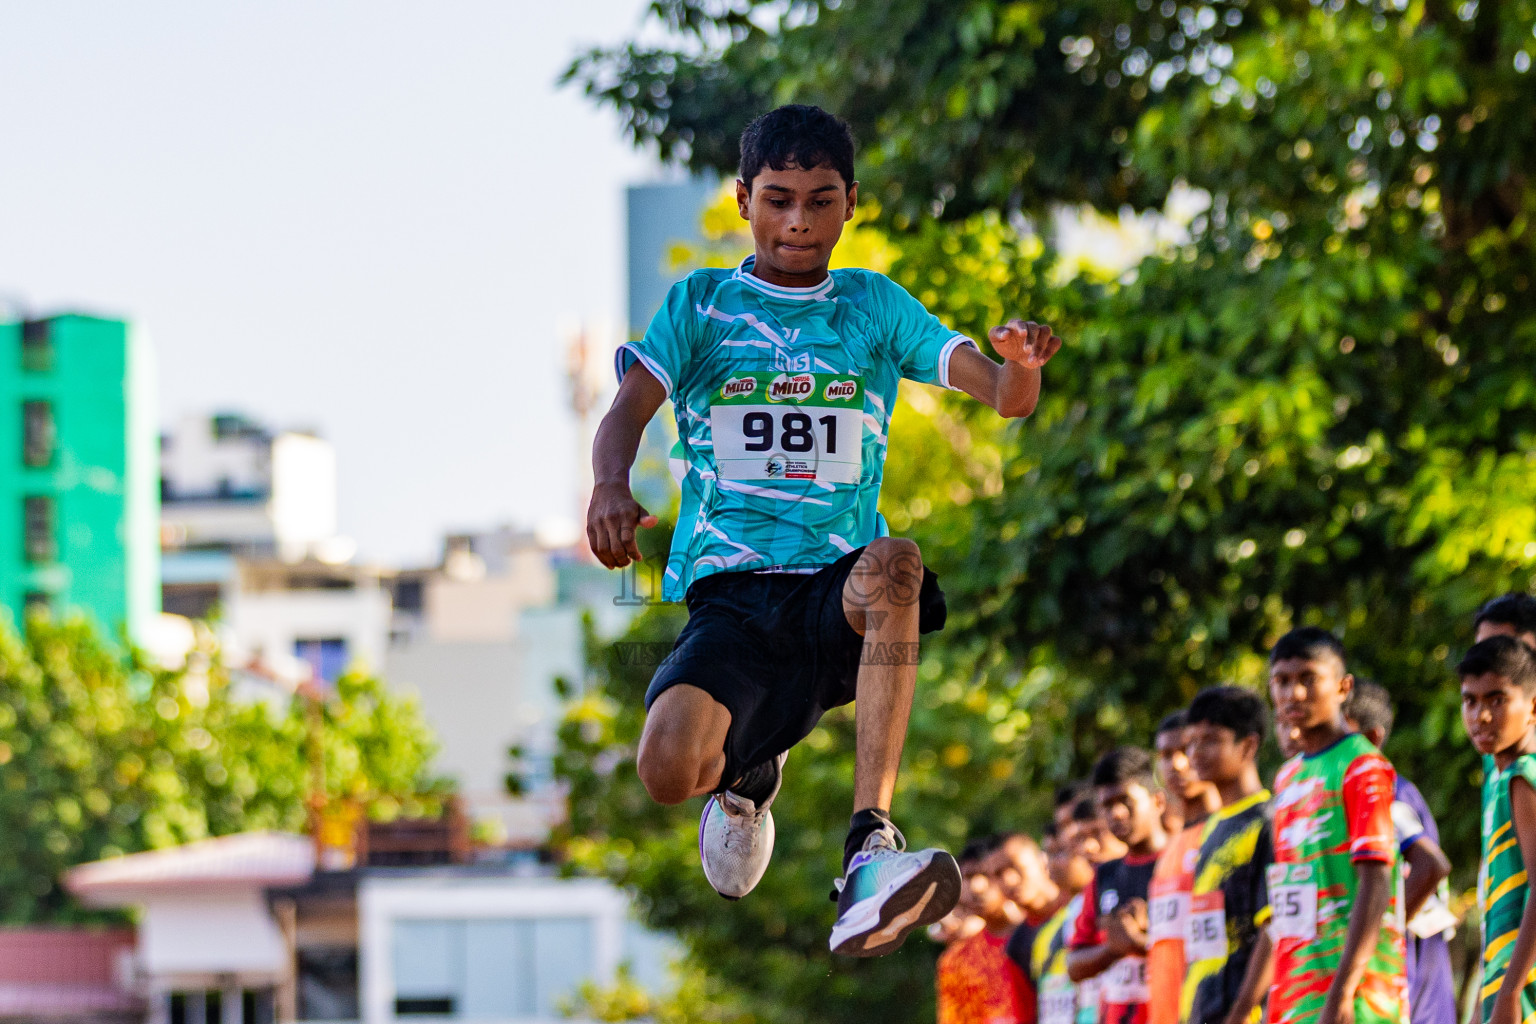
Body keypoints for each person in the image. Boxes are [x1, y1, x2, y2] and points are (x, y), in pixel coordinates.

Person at [585, 103, 1063, 956]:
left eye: (819, 199)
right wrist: (609, 485)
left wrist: (1021, 367)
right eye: (777, 200)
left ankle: (870, 847)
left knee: (898, 563)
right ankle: (750, 769)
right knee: (666, 772)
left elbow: (1001, 395)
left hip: (835, 588)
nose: (797, 221)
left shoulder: (874, 307)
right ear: (742, 200)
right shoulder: (702, 304)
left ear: (851, 204)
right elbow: (628, 409)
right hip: (729, 599)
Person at [1266, 628, 1407, 1024]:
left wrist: (1342, 992)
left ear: (1343, 687)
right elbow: (1288, 895)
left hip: (1354, 1000)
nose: (1293, 693)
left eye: (1308, 679)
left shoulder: (1362, 765)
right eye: (1282, 681)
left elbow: (1376, 881)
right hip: (1296, 997)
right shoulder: (1287, 776)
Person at [1344, 680, 1456, 1024]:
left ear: (1373, 739)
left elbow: (1430, 867)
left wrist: (1369, 942)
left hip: (1410, 982)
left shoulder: (1388, 794)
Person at [1182, 686, 1275, 1024]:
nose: (1195, 753)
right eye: (1190, 743)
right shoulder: (1210, 827)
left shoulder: (1268, 820)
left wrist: (1240, 1012)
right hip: (1202, 1009)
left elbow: (1273, 929)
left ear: (1248, 745)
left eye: (1210, 741)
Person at [1461, 637, 1536, 1024]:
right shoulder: (1499, 776)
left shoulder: (1523, 778)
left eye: (1497, 700)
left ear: (1533, 706)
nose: (1481, 716)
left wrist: (1510, 990)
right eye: (1470, 701)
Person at [1069, 748, 1170, 1024]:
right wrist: (1112, 950)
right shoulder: (1104, 876)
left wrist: (1141, 943)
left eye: (1125, 801)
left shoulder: (1183, 861)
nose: (1117, 813)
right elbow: (1074, 965)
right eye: (1107, 805)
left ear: (1158, 801)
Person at [1148, 712, 1221, 1024]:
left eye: (1186, 750)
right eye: (1166, 755)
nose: (1176, 764)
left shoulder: (1228, 833)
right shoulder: (1170, 848)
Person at [939, 835, 1032, 1024]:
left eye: (984, 875)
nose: (976, 887)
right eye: (967, 877)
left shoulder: (1039, 935)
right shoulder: (955, 961)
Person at [1002, 831, 1067, 1021]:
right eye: (998, 874)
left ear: (1042, 860)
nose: (1009, 881)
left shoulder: (1080, 908)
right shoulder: (1016, 944)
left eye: (1016, 867)